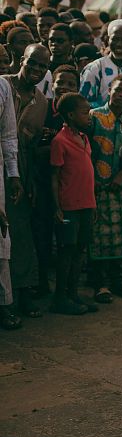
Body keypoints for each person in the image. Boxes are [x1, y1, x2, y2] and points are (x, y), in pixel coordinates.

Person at [3, 44, 50, 320]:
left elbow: (29, 148)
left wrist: (26, 180)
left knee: (18, 235)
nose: (35, 70)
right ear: (20, 60)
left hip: (17, 174)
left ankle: (19, 296)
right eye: (31, 63)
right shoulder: (2, 86)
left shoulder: (42, 102)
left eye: (41, 67)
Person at [87, 75, 122, 304]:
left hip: (119, 184)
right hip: (94, 184)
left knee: (119, 231)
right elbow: (85, 149)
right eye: (118, 90)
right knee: (97, 232)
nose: (121, 95)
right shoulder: (94, 116)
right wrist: (92, 178)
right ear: (109, 89)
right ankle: (99, 282)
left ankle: (118, 279)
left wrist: (121, 175)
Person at [34, 64, 80, 297]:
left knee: (67, 242)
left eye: (71, 84)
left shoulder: (80, 117)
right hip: (43, 184)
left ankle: (66, 289)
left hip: (70, 189)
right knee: (42, 236)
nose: (64, 87)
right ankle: (42, 281)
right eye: (60, 82)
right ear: (52, 84)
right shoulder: (42, 110)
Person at [49, 92, 95, 315]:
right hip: (69, 206)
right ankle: (60, 297)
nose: (89, 116)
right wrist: (57, 207)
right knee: (67, 251)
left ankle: (72, 293)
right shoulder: (60, 141)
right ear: (70, 114)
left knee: (80, 250)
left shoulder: (85, 138)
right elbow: (55, 177)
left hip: (87, 204)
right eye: (84, 113)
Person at [79, 20, 122, 109]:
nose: (119, 44)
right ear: (108, 40)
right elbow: (82, 104)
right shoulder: (95, 69)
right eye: (115, 39)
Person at [0, 74, 21, 330]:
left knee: (1, 237)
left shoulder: (3, 86)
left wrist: (13, 175)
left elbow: (8, 134)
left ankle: (5, 305)